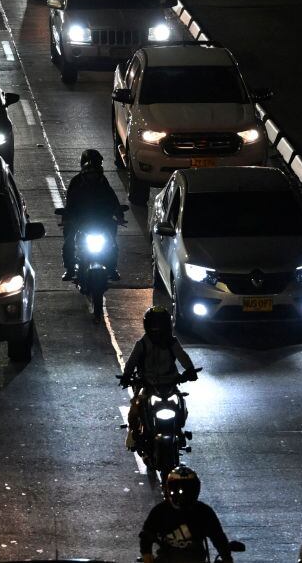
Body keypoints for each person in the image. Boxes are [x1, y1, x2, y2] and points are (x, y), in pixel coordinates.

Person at [121, 306, 198, 451]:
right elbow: (131, 362)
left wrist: (190, 370)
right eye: (155, 326)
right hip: (148, 385)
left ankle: (178, 430)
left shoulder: (172, 343)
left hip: (170, 384)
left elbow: (183, 357)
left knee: (182, 405)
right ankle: (133, 432)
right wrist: (126, 376)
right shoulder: (142, 344)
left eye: (161, 326)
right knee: (135, 408)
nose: (158, 330)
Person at [139, 466, 234, 563]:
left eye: (188, 489)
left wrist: (227, 557)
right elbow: (147, 534)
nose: (183, 494)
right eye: (177, 488)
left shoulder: (204, 512)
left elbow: (218, 537)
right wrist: (146, 554)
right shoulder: (160, 511)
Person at [61, 148, 123, 281]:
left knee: (112, 242)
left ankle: (112, 268)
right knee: (69, 241)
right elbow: (70, 202)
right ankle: (70, 268)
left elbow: (112, 198)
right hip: (81, 221)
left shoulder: (103, 182)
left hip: (101, 220)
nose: (92, 175)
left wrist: (119, 214)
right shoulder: (76, 182)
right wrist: (67, 217)